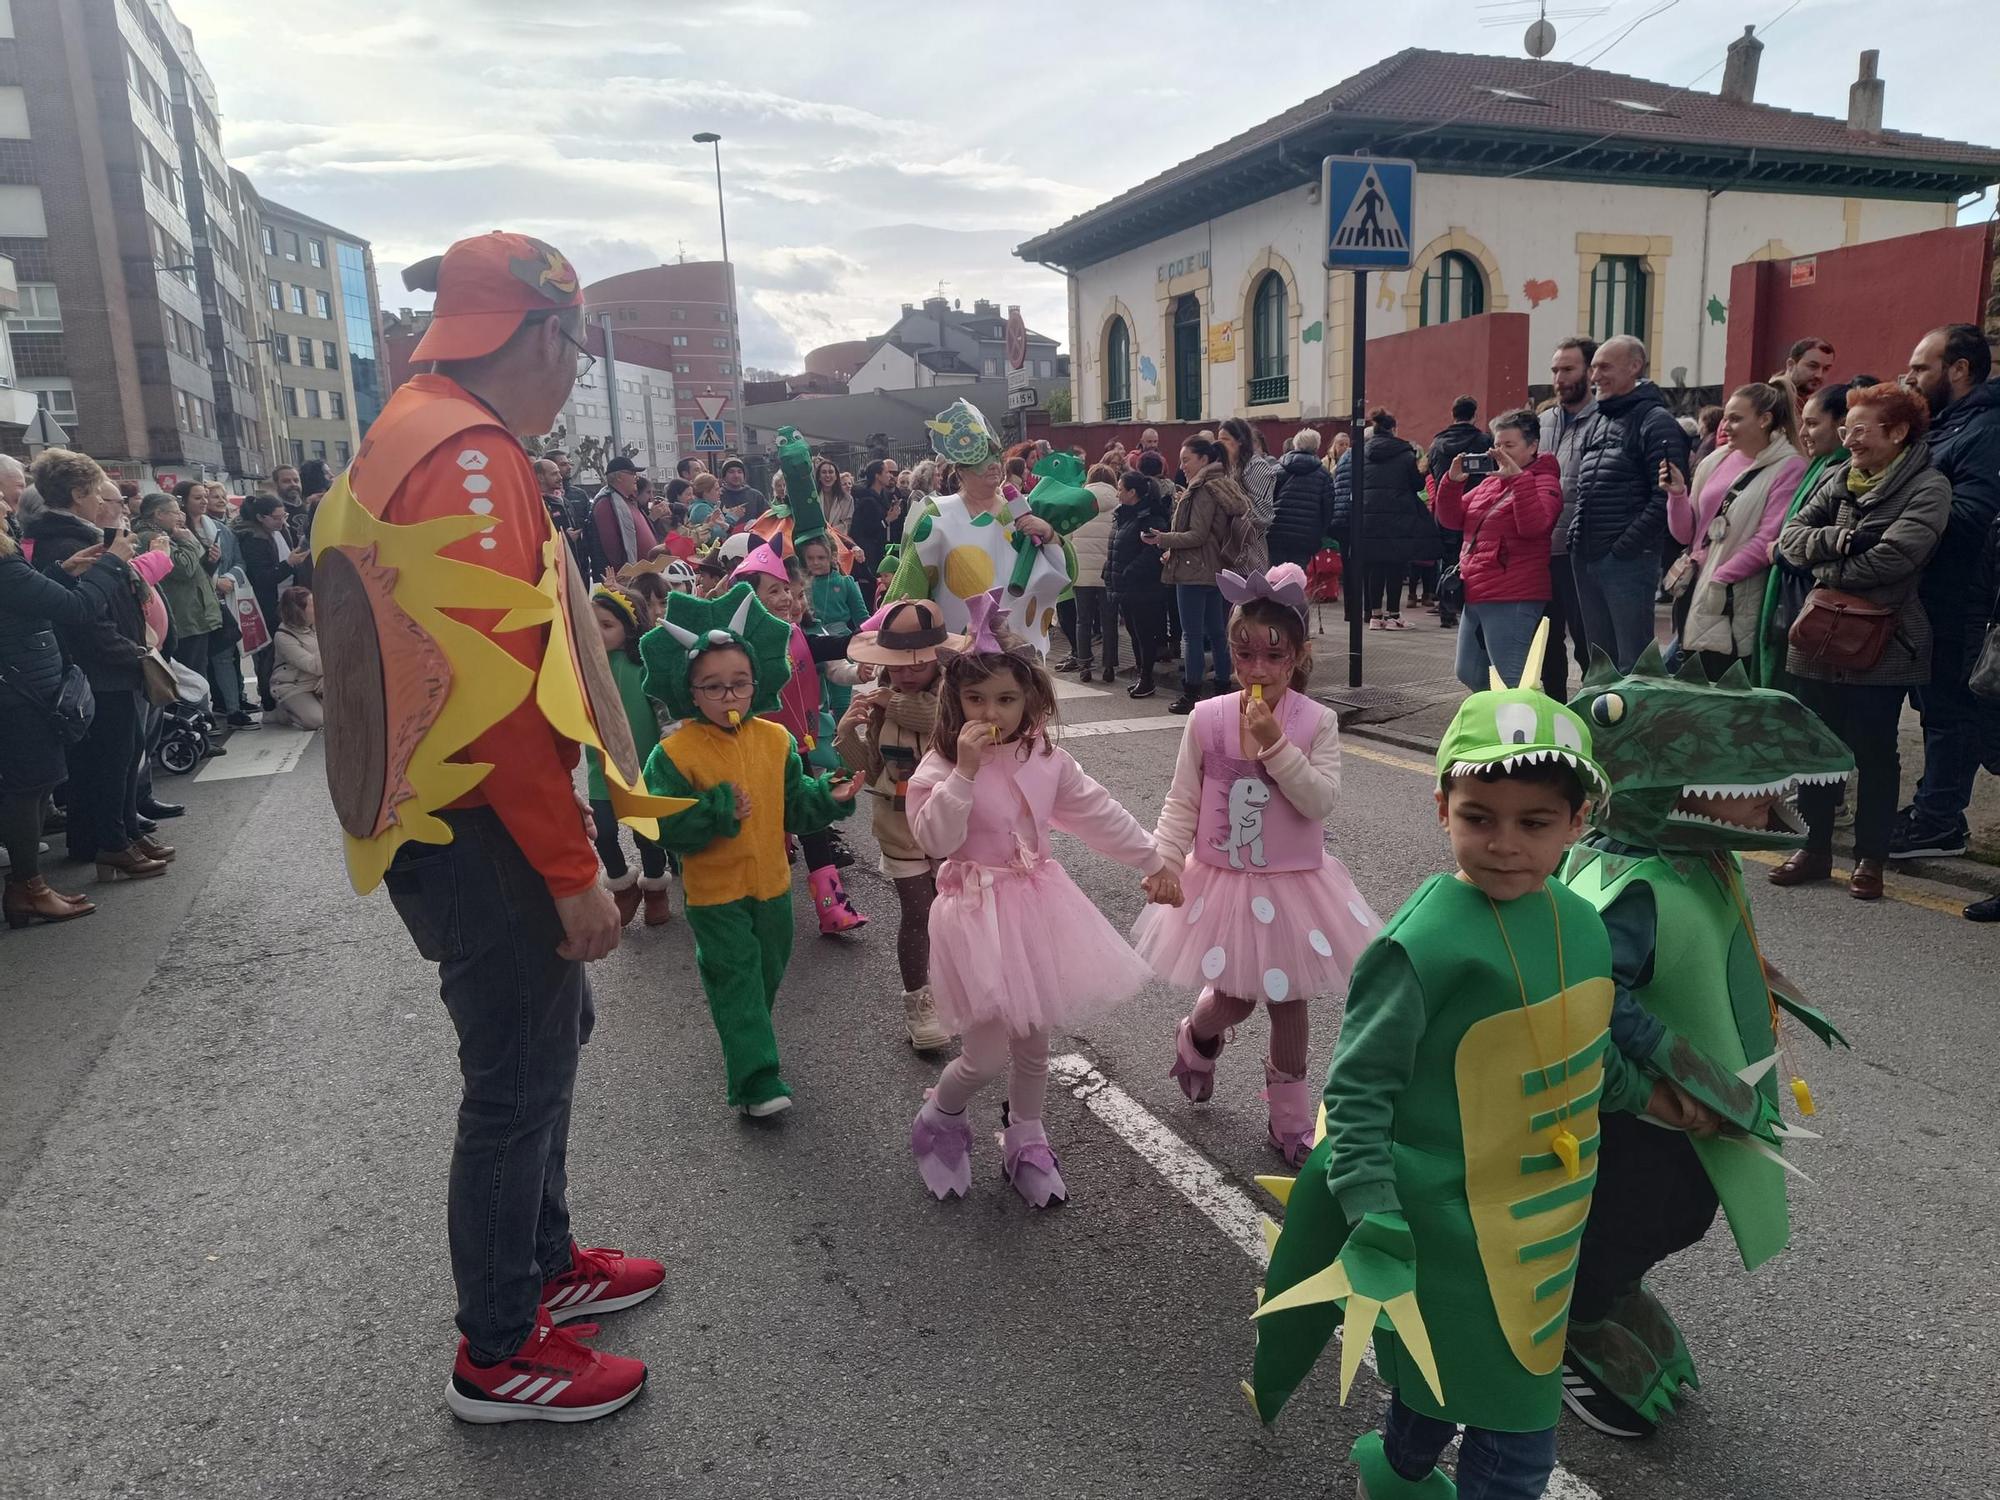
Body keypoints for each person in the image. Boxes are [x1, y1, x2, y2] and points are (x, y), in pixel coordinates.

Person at [323, 231, 670, 1424]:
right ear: (535, 332)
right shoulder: (469, 455)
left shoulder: (416, 425)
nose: (572, 367)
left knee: (543, 1043)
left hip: (447, 820)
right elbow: (501, 696)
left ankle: (541, 1271)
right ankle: (498, 1349)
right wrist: (573, 870)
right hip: (479, 829)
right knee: (515, 1083)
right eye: (570, 341)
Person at [1251, 632, 1685, 1500]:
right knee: (1517, 1422)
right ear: (1441, 807)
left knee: (1456, 1371)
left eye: (1536, 823)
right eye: (1478, 818)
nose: (1505, 845)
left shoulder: (1581, 922)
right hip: (1444, 1227)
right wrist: (1373, 1209)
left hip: (1548, 1218)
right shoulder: (1422, 944)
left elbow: (1582, 1052)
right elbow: (1363, 1091)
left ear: (1579, 822)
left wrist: (1665, 1101)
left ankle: (1402, 1466)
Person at [1559, 649, 1849, 1440]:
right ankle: (1575, 1327)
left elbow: (1713, 943)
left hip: (1694, 1111)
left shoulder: (1698, 862)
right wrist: (1674, 1073)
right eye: (1752, 793)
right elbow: (1594, 995)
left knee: (1679, 1213)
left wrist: (1775, 989)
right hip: (1646, 1117)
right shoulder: (1637, 887)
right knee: (1649, 1212)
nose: (1772, 801)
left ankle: (1606, 1295)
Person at [905, 593, 1174, 1207]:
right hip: (975, 914)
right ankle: (941, 1116)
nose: (991, 711)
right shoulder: (938, 766)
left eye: (1005, 698)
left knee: (1034, 1045)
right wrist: (964, 773)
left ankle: (1025, 1138)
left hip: (1034, 905)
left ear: (1029, 698)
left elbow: (1096, 811)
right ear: (956, 702)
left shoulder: (1044, 756)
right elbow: (936, 841)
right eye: (976, 699)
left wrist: (1153, 859)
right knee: (985, 1052)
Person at [1135, 565, 1377, 1163]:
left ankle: (1290, 1121)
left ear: (1298, 657)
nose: (1259, 671)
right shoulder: (1207, 718)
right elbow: (1182, 800)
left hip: (1295, 884)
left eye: (1275, 657)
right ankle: (1197, 1036)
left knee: (1290, 999)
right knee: (1237, 997)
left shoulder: (1315, 722)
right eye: (1245, 655)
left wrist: (1275, 744)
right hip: (1223, 880)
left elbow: (1319, 800)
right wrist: (1166, 861)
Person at [640, 583, 860, 1112]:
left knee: (766, 971)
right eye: (712, 687)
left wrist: (829, 796)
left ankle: (745, 1036)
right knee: (735, 977)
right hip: (715, 893)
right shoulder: (672, 752)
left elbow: (796, 805)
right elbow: (657, 824)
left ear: (756, 683)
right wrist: (715, 811)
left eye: (739, 684)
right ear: (690, 691)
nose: (729, 696)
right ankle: (756, 1078)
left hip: (772, 885)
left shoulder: (776, 740)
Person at [1771, 381, 1951, 900]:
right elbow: (1790, 539)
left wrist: (1824, 565)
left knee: (1875, 751)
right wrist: (1841, 541)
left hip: (1885, 641)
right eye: (1846, 429)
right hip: (1821, 635)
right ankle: (1816, 847)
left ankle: (1871, 857)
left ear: (1896, 432)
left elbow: (1897, 559)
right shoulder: (1836, 477)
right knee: (1818, 749)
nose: (1849, 440)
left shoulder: (1929, 488)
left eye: (1860, 430)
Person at [25, 450, 168, 880]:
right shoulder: (69, 541)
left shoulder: (70, 536)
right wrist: (135, 654)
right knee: (110, 761)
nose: (113, 505)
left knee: (121, 758)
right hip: (102, 671)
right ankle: (112, 842)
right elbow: (87, 617)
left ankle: (118, 833)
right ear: (78, 493)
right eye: (100, 493)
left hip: (109, 667)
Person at [836, 598, 964, 1052]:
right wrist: (846, 735)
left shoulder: (961, 695)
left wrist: (895, 703)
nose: (906, 674)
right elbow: (871, 772)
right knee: (918, 911)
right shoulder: (879, 700)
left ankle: (963, 990)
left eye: (917, 665)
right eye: (897, 666)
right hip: (899, 823)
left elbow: (940, 722)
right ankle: (919, 1004)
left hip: (954, 824)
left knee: (960, 912)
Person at [1893, 323, 2000, 861]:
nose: (1910, 377)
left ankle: (1940, 820)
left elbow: (1976, 515)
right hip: (1931, 595)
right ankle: (1933, 807)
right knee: (1935, 709)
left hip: (1960, 600)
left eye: (1921, 368)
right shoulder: (1950, 425)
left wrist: (1902, 520)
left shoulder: (1986, 429)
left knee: (1951, 712)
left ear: (1958, 370)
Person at [732, 542, 867, 934]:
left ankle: (831, 908)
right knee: (759, 825)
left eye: (786, 589)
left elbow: (836, 646)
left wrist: (877, 634)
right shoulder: (736, 645)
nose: (786, 597)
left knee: (813, 822)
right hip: (752, 751)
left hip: (798, 747)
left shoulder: (796, 633)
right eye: (774, 590)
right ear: (749, 598)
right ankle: (757, 904)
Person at [886, 398, 1092, 654]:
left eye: (995, 454)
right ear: (959, 470)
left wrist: (1050, 536)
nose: (993, 463)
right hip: (960, 657)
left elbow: (1066, 575)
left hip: (1019, 655)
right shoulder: (936, 517)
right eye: (981, 456)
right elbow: (908, 588)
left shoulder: (1021, 512)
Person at [0, 476, 108, 922]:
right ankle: (27, 886)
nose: (9, 505)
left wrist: (62, 573)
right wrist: (112, 567)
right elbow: (75, 609)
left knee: (35, 787)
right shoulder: (3, 563)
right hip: (20, 690)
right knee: (29, 789)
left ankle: (30, 883)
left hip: (22, 683)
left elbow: (27, 596)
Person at [1663, 382, 1805, 682]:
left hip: (1734, 597)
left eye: (1736, 418)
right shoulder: (1716, 459)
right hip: (1694, 587)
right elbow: (1686, 533)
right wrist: (1677, 495)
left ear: (1764, 419)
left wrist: (1720, 578)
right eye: (1726, 417)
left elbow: (1768, 538)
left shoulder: (1789, 466)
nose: (1726, 425)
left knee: (1722, 684)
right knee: (1692, 682)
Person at [1568, 335, 1691, 670]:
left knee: (1633, 666)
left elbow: (1665, 495)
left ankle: (1637, 724)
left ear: (1634, 366)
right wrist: (1577, 539)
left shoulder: (1656, 421)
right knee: (1600, 663)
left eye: (1604, 367)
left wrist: (1624, 546)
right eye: (1593, 368)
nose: (1595, 377)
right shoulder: (1599, 420)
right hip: (1589, 555)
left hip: (1626, 561)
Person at [1433, 407, 1564, 690]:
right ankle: (1497, 721)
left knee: (1510, 679)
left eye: (1509, 445)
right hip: (1476, 590)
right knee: (1468, 671)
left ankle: (1518, 730)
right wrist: (1452, 483)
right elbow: (1451, 519)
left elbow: (1535, 526)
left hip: (1513, 594)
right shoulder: (1490, 483)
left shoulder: (1544, 481)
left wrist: (1518, 479)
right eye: (1496, 444)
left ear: (1533, 446)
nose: (1499, 452)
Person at [584, 583, 672, 928]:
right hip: (600, 766)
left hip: (643, 765)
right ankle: (622, 887)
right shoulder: (584, 667)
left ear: (629, 627)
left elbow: (663, 712)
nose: (597, 632)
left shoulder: (644, 666)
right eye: (592, 624)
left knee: (645, 830)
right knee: (602, 831)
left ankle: (654, 888)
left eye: (607, 625)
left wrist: (671, 745)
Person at [1757, 380, 1854, 690]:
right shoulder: (1821, 466)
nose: (1803, 433)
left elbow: (1831, 543)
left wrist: (1782, 552)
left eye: (1813, 424)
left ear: (1843, 424)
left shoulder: (1842, 472)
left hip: (1813, 608)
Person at [1146, 435, 1251, 712]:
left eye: (1186, 460)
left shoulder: (1204, 488)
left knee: (1192, 635)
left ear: (1203, 459)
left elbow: (1197, 534)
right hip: (1214, 567)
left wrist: (1163, 539)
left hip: (1194, 571)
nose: (1183, 467)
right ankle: (1221, 689)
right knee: (1217, 632)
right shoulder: (1220, 483)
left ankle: (1191, 693)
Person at [1539, 338, 1598, 698]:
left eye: (1568, 369)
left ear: (1590, 372)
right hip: (1541, 551)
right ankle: (1556, 712)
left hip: (1582, 554)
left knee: (1588, 644)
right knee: (1545, 644)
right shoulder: (1543, 422)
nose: (1559, 378)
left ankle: (1595, 716)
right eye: (1555, 370)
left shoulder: (1605, 420)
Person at [1352, 409, 1433, 633]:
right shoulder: (1406, 454)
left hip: (1370, 517)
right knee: (1396, 566)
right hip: (1399, 516)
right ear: (1394, 429)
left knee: (1376, 566)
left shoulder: (1362, 453)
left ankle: (1375, 616)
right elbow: (1416, 485)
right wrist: (1423, 471)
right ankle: (1394, 616)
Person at [1426, 396, 1494, 625]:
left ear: (1452, 414)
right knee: (1472, 559)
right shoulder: (1484, 441)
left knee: (1446, 560)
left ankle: (1445, 608)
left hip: (1445, 507)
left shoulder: (1436, 443)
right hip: (1477, 508)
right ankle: (1468, 608)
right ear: (1475, 414)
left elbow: (1432, 475)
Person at [1109, 469, 1172, 700]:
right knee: (1134, 634)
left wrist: (1129, 571)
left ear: (1132, 492)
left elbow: (1151, 552)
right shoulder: (1123, 515)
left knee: (1145, 635)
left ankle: (1147, 678)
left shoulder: (1149, 517)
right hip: (1126, 586)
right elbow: (1116, 547)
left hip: (1143, 587)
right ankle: (1141, 676)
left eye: (1120, 489)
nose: (1117, 493)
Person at [232, 495, 296, 712]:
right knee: (267, 653)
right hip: (265, 604)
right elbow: (262, 577)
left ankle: (282, 694)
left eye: (284, 516)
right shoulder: (254, 539)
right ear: (261, 517)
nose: (282, 522)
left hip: (282, 599)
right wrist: (288, 564)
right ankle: (269, 698)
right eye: (277, 518)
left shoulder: (277, 531)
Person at [1064, 464, 1119, 682]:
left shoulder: (1079, 501)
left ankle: (1084, 665)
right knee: (1109, 621)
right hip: (1108, 572)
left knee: (1083, 620)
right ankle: (1109, 666)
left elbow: (1068, 536)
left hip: (1082, 570)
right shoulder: (1118, 500)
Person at [1268, 428, 1336, 573]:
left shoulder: (1276, 470)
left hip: (1276, 533)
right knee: (1296, 578)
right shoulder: (1323, 475)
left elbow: (1266, 501)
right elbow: (1328, 509)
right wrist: (1319, 533)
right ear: (1316, 447)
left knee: (1275, 577)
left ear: (1296, 445)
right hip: (1306, 536)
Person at [1219, 416, 1280, 571]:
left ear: (1240, 441)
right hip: (1226, 554)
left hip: (1249, 556)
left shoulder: (1256, 467)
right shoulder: (1226, 467)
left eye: (1225, 439)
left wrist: (1231, 499)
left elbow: (1263, 516)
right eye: (1219, 440)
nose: (1220, 445)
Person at [263, 584, 325, 730]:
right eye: (312, 605)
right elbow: (313, 665)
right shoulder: (283, 636)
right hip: (294, 685)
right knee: (318, 721)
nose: (318, 607)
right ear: (299, 611)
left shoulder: (319, 625)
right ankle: (283, 713)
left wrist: (328, 676)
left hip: (318, 681)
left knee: (343, 712)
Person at [591, 455, 659, 576]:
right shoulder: (606, 504)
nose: (636, 478)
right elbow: (611, 547)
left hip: (644, 574)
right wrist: (626, 574)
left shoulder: (629, 501)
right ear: (619, 477)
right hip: (628, 577)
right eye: (632, 473)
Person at [848, 458, 902, 586]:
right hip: (869, 553)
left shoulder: (883, 496)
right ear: (877, 475)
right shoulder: (867, 500)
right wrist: (887, 520)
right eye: (887, 472)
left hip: (880, 548)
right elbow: (867, 529)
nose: (890, 476)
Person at [716, 456, 767, 529]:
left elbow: (767, 519)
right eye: (731, 472)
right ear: (724, 476)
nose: (736, 475)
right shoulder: (718, 496)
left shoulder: (756, 496)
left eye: (739, 472)